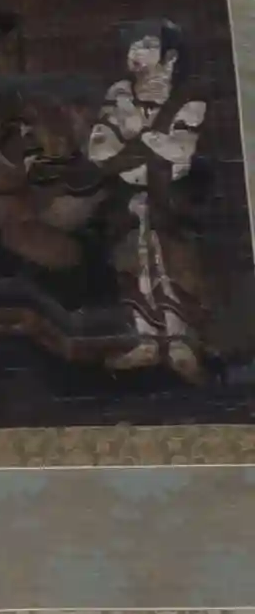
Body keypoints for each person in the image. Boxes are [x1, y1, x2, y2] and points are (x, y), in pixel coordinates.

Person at [87, 20, 208, 381]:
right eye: (132, 45)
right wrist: (148, 143)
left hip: (174, 196)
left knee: (169, 259)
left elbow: (180, 151)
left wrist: (137, 139)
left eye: (147, 45)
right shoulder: (119, 94)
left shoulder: (186, 98)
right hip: (128, 197)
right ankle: (146, 340)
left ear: (170, 57)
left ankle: (180, 343)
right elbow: (100, 151)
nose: (136, 53)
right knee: (132, 260)